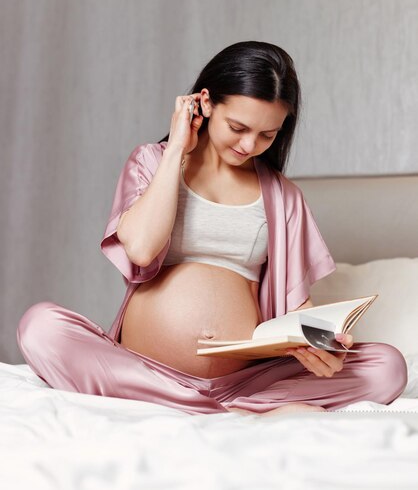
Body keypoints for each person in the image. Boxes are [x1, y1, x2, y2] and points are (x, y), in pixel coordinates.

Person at [17, 41, 408, 416]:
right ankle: (226, 412)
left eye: (267, 134)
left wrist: (325, 346)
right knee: (41, 326)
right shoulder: (153, 162)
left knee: (387, 366)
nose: (249, 144)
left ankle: (213, 407)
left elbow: (296, 310)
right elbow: (140, 249)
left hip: (242, 382)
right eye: (238, 127)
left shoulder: (284, 197)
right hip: (145, 370)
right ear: (204, 102)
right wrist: (176, 151)